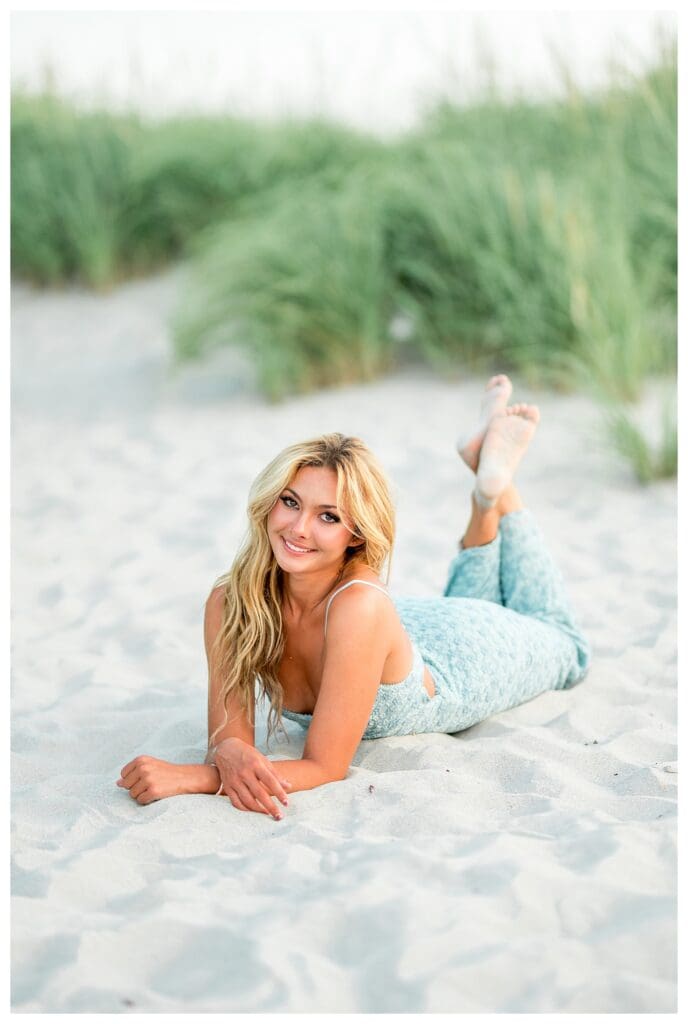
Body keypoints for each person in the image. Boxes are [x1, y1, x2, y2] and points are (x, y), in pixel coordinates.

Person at [117, 375, 590, 819]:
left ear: (356, 536)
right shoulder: (230, 601)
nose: (299, 529)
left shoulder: (360, 606)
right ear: (269, 500)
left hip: (462, 658)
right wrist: (227, 751)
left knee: (564, 641)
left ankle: (498, 487)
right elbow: (230, 740)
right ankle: (485, 490)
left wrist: (192, 778)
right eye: (291, 502)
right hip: (407, 626)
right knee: (466, 597)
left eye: (328, 517)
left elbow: (325, 766)